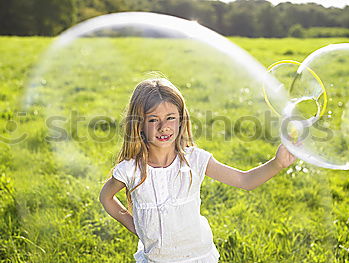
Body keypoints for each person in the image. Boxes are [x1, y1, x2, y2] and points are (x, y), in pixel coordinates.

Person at [99, 78, 296, 263]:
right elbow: (106, 197)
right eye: (153, 120)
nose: (163, 127)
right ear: (138, 124)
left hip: (197, 256)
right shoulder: (131, 170)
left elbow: (244, 181)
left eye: (170, 118)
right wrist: (135, 227)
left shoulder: (195, 160)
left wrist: (277, 163)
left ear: (181, 120)